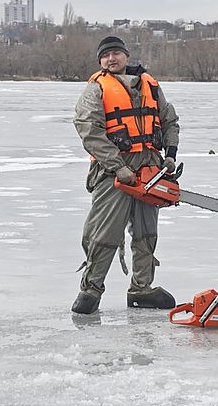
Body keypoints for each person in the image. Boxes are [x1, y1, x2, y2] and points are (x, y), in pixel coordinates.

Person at [72, 36, 180, 315]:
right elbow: (89, 130)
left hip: (150, 167)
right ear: (100, 61)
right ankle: (91, 290)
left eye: (116, 53)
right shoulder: (96, 89)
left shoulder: (151, 86)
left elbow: (169, 120)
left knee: (146, 232)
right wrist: (116, 165)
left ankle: (142, 288)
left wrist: (170, 154)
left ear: (126, 56)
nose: (111, 59)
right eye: (106, 55)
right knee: (104, 232)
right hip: (113, 171)